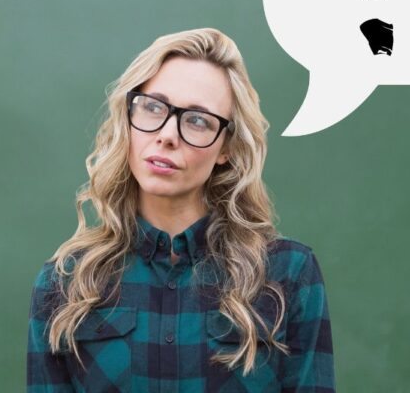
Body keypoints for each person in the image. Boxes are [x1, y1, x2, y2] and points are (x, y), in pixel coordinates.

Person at [26, 28, 335, 392]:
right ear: (128, 119)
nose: (168, 134)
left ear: (226, 148)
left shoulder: (288, 274)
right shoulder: (64, 284)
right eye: (153, 107)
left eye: (198, 120)